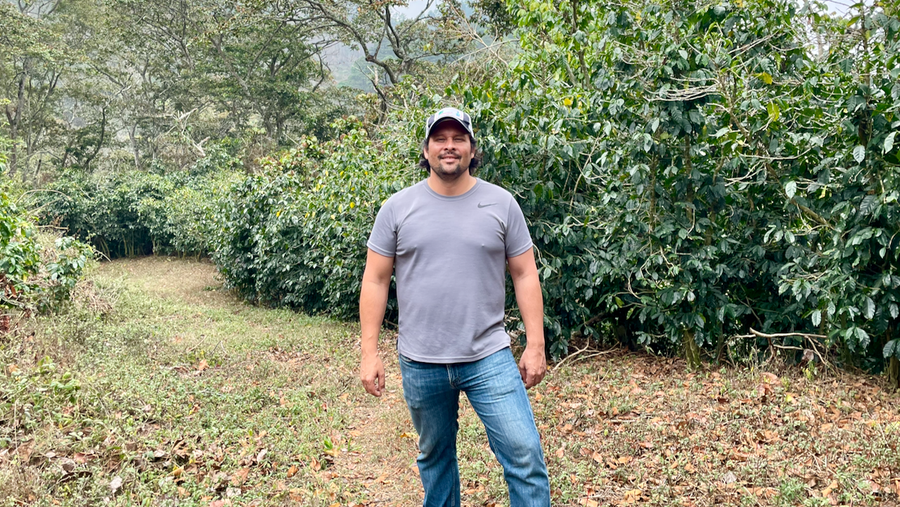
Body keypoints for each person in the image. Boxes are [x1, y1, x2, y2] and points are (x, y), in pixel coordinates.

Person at [359, 107, 551, 507]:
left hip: (489, 356)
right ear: (426, 150)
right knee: (435, 457)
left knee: (524, 455)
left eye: (458, 138)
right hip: (420, 360)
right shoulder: (397, 208)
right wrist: (368, 352)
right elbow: (376, 280)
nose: (449, 147)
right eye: (440, 139)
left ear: (472, 149)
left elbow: (525, 274)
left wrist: (535, 344)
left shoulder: (501, 203)